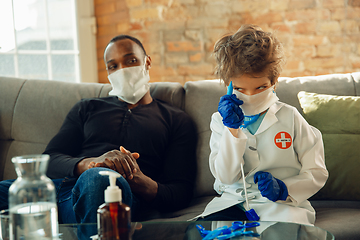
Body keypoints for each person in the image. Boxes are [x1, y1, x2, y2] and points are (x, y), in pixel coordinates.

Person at [0, 35, 197, 224]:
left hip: (114, 193)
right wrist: (91, 163)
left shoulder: (176, 119)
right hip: (58, 190)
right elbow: (50, 160)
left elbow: (180, 192)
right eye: (113, 66)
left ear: (147, 62)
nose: (122, 70)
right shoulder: (87, 107)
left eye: (131, 61)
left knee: (101, 178)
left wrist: (139, 181)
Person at [194, 24, 328, 225]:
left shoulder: (291, 117)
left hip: (281, 205)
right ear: (229, 86)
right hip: (233, 203)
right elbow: (225, 176)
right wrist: (232, 130)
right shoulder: (220, 121)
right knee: (210, 232)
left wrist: (284, 188)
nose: (250, 96)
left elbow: (317, 171)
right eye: (240, 88)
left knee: (282, 232)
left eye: (260, 87)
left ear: (274, 82)